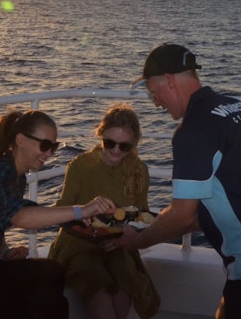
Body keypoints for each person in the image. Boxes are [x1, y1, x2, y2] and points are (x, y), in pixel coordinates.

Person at [112, 43, 241, 319]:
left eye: (154, 93)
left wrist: (137, 241)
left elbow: (184, 218)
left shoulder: (194, 129)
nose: (155, 103)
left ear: (169, 80)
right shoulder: (239, 107)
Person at [0, 109, 116, 319]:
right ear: (20, 140)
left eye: (53, 147)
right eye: (44, 145)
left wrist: (4, 252)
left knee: (52, 273)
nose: (49, 153)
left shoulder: (16, 177)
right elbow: (21, 217)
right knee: (40, 299)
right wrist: (81, 210)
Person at [48, 103, 160, 319]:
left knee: (123, 287)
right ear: (100, 136)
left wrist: (124, 228)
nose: (116, 151)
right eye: (109, 143)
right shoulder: (80, 165)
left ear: (133, 144)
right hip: (78, 244)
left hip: (118, 244)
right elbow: (62, 212)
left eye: (124, 146)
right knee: (98, 287)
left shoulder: (139, 170)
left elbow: (141, 214)